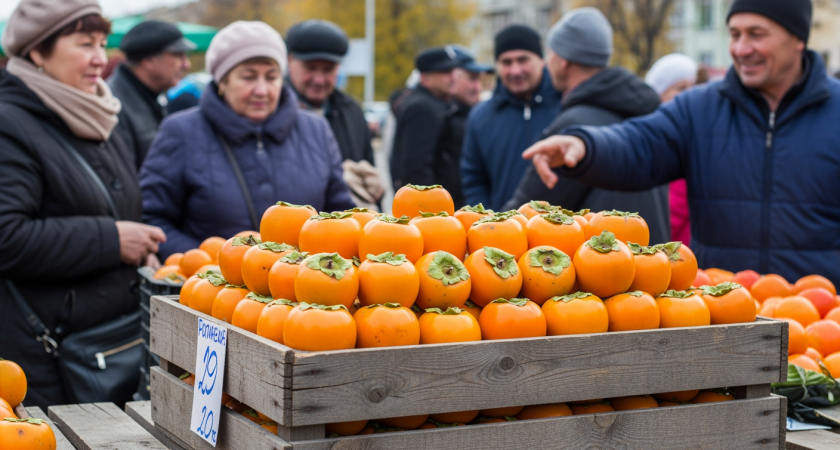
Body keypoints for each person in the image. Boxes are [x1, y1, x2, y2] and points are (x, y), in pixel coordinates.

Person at [523, 0, 840, 283]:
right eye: (734, 34)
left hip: (821, 315)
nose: (741, 49)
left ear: (797, 38)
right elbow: (640, 144)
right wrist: (586, 146)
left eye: (756, 35)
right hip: (725, 311)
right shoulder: (699, 109)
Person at [0, 0, 165, 408]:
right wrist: (113, 240)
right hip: (46, 358)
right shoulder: (9, 123)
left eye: (103, 44)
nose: (100, 59)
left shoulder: (99, 115)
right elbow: (6, 236)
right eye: (85, 44)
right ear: (38, 52)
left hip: (109, 342)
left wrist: (140, 252)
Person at [140, 21, 356, 259]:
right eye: (248, 77)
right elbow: (152, 219)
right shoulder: (180, 131)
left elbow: (340, 214)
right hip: (211, 280)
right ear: (222, 81)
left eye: (271, 77)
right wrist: (212, 262)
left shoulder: (316, 130)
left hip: (303, 280)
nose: (262, 90)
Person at [503, 8, 670, 244]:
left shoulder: (574, 127)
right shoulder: (645, 114)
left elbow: (528, 210)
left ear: (563, 61)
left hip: (605, 261)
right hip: (653, 259)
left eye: (550, 54)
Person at [460, 24, 562, 211]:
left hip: (565, 225)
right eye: (506, 62)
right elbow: (474, 180)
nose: (515, 71)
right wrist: (487, 221)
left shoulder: (566, 105)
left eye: (523, 60)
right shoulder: (480, 117)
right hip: (504, 226)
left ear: (541, 60)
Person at [285, 20, 383, 210]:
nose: (319, 79)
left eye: (328, 69)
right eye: (310, 68)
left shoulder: (352, 112)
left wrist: (373, 189)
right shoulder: (271, 114)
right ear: (290, 62)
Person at [108, 20, 194, 169]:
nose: (186, 64)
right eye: (178, 55)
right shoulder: (113, 108)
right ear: (148, 60)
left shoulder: (151, 95)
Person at [645, 54, 699, 246]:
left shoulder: (694, 132)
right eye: (681, 88)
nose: (689, 94)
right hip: (671, 248)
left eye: (693, 86)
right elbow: (672, 211)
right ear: (659, 94)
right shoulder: (663, 139)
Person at [389, 46, 460, 192]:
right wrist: (430, 203)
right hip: (430, 202)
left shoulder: (432, 103)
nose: (453, 78)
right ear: (425, 78)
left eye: (453, 71)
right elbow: (416, 169)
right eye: (445, 72)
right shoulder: (422, 107)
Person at [443, 47, 494, 208]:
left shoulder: (475, 115)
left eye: (479, 80)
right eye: (472, 79)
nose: (477, 87)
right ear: (453, 77)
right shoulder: (441, 116)